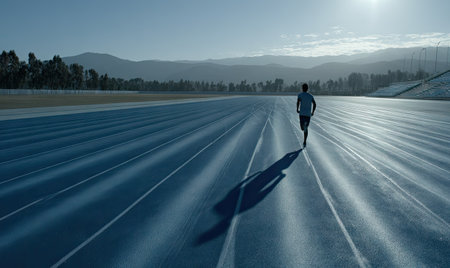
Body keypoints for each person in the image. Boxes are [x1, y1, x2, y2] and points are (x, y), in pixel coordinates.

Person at [296, 83, 316, 147]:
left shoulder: (300, 95)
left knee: (302, 128)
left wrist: (297, 109)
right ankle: (305, 140)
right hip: (308, 114)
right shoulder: (310, 96)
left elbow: (298, 102)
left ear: (302, 88)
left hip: (302, 114)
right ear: (307, 89)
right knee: (305, 128)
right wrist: (312, 112)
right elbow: (314, 104)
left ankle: (304, 141)